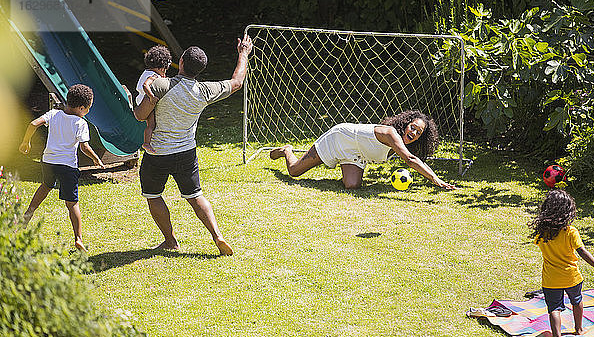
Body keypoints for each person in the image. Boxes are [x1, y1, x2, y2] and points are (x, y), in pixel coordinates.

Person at [133, 35, 253, 254]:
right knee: (195, 195)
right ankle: (217, 236)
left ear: (182, 64)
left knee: (153, 196)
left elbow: (140, 116)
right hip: (186, 153)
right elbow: (237, 83)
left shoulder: (161, 85)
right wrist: (243, 53)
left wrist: (145, 100)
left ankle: (170, 241)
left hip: (157, 152)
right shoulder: (205, 91)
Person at [269, 110, 455, 190]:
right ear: (406, 124)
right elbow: (410, 160)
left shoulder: (403, 142)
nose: (413, 132)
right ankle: (286, 150)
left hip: (356, 153)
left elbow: (412, 157)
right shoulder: (391, 134)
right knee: (294, 172)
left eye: (418, 132)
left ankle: (344, 166)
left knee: (352, 186)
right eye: (413, 127)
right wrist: (435, 179)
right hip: (339, 139)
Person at [19, 84, 105, 251]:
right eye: (88, 108)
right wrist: (96, 159)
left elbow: (33, 124)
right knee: (72, 203)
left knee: (45, 186)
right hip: (68, 166)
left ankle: (26, 217)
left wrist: (25, 141)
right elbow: (84, 147)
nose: (87, 111)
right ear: (81, 108)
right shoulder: (80, 123)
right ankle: (78, 238)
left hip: (49, 162)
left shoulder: (54, 114)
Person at [530, 189, 594, 337]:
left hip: (551, 279)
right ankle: (579, 329)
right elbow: (582, 251)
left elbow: (540, 244)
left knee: (554, 308)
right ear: (568, 211)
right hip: (571, 276)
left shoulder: (542, 233)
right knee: (577, 301)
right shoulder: (570, 232)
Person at [135, 45, 172, 154]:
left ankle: (147, 142)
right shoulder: (154, 76)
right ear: (161, 68)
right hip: (145, 100)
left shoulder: (146, 72)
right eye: (164, 71)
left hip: (140, 99)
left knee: (150, 123)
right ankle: (146, 143)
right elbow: (145, 85)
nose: (164, 74)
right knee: (151, 124)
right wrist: (151, 97)